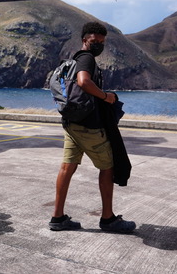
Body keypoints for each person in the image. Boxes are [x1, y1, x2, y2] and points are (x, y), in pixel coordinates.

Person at [49, 21, 136, 233]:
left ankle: (58, 218)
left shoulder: (74, 59)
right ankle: (108, 219)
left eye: (101, 42)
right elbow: (83, 82)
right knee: (108, 167)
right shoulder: (86, 59)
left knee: (67, 167)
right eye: (94, 41)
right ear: (84, 40)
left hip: (72, 123)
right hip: (88, 126)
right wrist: (106, 96)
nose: (98, 45)